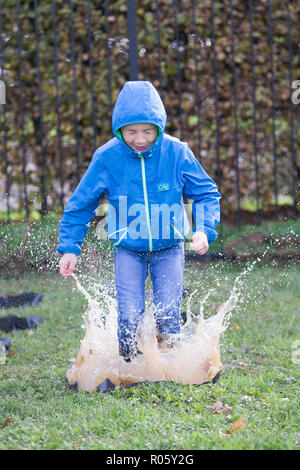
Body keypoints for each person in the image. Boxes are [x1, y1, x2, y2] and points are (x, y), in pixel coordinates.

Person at [58, 80, 221, 362]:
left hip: (169, 247)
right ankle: (129, 367)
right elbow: (80, 205)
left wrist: (204, 229)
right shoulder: (107, 157)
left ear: (159, 126)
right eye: (131, 131)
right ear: (119, 129)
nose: (140, 138)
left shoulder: (177, 152)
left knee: (169, 313)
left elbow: (206, 193)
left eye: (148, 130)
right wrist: (69, 246)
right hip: (128, 250)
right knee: (129, 315)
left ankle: (171, 368)